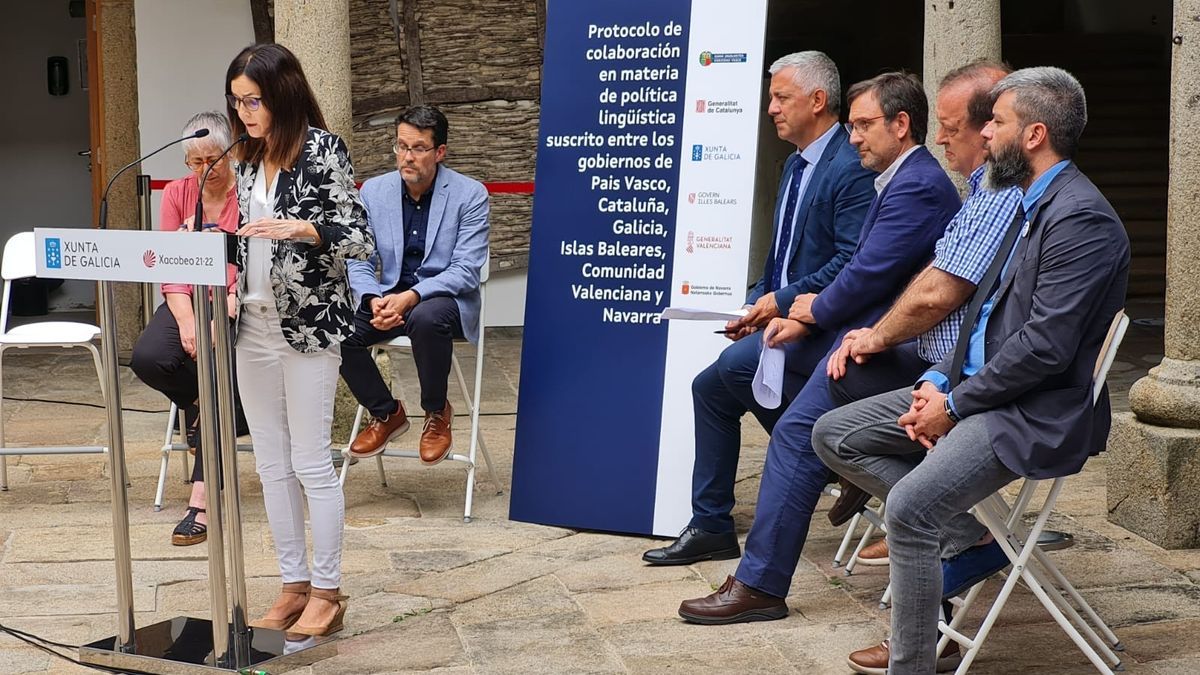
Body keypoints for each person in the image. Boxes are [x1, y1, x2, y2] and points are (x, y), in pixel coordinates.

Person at [813, 66, 1129, 675]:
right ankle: (969, 539)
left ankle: (912, 664)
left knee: (907, 508)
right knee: (835, 433)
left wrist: (955, 405)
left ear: (1034, 135)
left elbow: (1044, 349)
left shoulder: (1079, 217)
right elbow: (983, 315)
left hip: (1032, 411)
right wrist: (938, 382)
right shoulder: (1028, 202)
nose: (985, 134)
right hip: (983, 391)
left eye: (998, 123)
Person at [678, 72, 961, 624]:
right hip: (870, 338)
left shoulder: (919, 183)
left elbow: (867, 273)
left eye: (864, 125)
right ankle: (839, 484)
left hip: (897, 354)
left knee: (794, 430)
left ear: (902, 125)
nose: (854, 137)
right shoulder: (901, 178)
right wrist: (802, 318)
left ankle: (760, 582)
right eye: (851, 125)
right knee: (761, 394)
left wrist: (808, 312)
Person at [641, 51, 876, 566]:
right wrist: (756, 302)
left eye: (780, 97)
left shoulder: (850, 166)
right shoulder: (795, 163)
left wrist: (782, 303)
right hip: (786, 320)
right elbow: (783, 256)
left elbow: (851, 262)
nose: (770, 107)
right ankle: (712, 525)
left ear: (817, 100)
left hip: (828, 324)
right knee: (712, 387)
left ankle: (842, 462)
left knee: (729, 370)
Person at [819, 61, 1020, 564]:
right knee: (831, 380)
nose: (941, 140)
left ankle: (927, 518)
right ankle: (919, 512)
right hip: (945, 369)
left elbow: (938, 294)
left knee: (831, 419)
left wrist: (889, 345)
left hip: (968, 385)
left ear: (990, 127)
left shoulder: (993, 193)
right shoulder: (978, 192)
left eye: (951, 130)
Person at [225, 43, 375, 638]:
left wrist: (306, 229)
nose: (243, 115)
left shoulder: (322, 148)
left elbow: (360, 237)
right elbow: (246, 238)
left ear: (281, 95)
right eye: (236, 103)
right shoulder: (242, 157)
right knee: (269, 459)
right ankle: (291, 584)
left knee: (311, 459)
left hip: (308, 326)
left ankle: (327, 590)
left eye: (253, 101)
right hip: (252, 324)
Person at [340, 105, 489, 465]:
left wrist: (411, 297)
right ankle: (387, 412)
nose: (407, 156)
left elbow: (466, 270)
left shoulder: (470, 195)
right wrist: (373, 298)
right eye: (401, 146)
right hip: (389, 296)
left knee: (425, 317)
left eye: (418, 148)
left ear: (440, 152)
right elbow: (358, 258)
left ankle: (436, 412)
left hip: (442, 299)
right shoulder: (374, 192)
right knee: (335, 327)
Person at [129, 111, 249, 547]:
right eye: (194, 162)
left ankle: (200, 502)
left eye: (212, 160)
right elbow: (169, 265)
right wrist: (186, 320)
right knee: (149, 358)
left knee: (222, 376)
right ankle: (195, 400)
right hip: (189, 297)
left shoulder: (249, 192)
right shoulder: (178, 194)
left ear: (230, 153)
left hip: (240, 301)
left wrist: (224, 313)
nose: (204, 170)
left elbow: (253, 264)